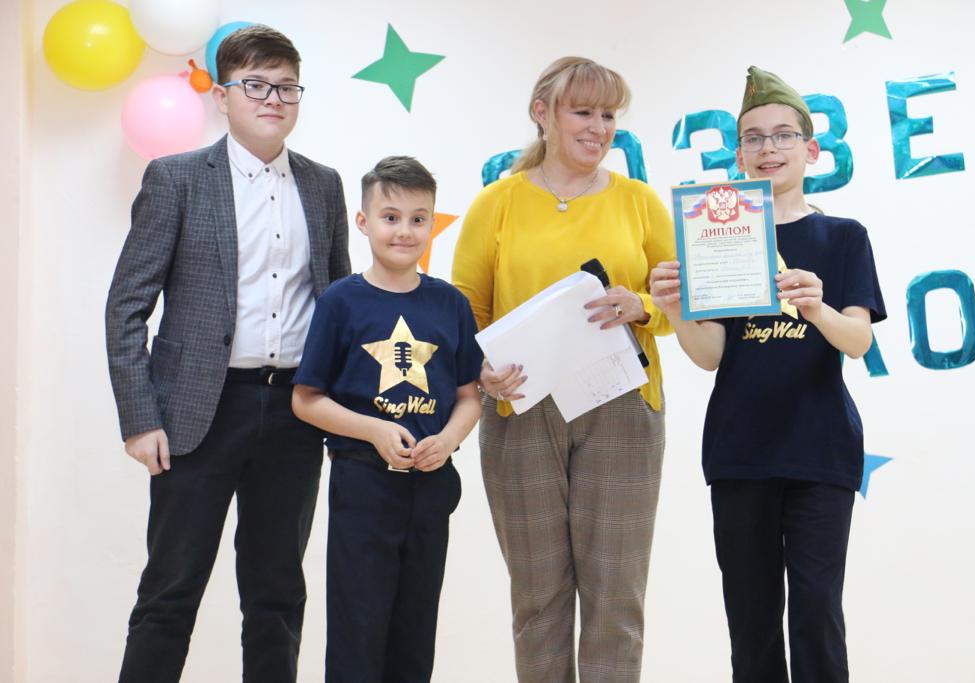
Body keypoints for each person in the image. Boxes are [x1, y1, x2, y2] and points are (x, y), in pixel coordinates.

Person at [105, 25, 350, 683]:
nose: (273, 99)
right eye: (256, 85)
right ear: (222, 96)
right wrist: (141, 417)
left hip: (295, 412)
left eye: (287, 87)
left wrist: (345, 413)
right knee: (170, 591)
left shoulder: (323, 185)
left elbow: (338, 307)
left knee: (277, 595)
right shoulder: (177, 178)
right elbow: (126, 306)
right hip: (196, 414)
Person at [649, 66, 887, 683]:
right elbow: (711, 355)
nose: (768, 148)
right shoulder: (717, 235)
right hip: (740, 451)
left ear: (811, 150)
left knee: (816, 614)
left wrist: (817, 308)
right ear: (738, 155)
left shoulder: (843, 237)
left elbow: (858, 341)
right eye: (753, 138)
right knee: (750, 622)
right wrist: (675, 309)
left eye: (783, 136)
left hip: (820, 449)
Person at [452, 56, 675, 683]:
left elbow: (680, 299)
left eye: (608, 115)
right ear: (542, 113)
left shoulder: (639, 202)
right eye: (583, 112)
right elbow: (464, 310)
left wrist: (642, 306)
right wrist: (481, 371)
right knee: (537, 600)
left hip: (624, 408)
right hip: (520, 408)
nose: (599, 128)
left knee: (616, 600)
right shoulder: (496, 203)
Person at [292, 156, 483, 682]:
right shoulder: (340, 302)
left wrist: (447, 440)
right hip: (362, 484)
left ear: (433, 223)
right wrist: (373, 430)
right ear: (363, 222)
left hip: (430, 486)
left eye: (418, 219)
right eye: (391, 217)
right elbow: (306, 399)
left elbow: (470, 396)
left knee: (415, 633)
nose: (404, 231)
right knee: (357, 629)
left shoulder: (450, 304)